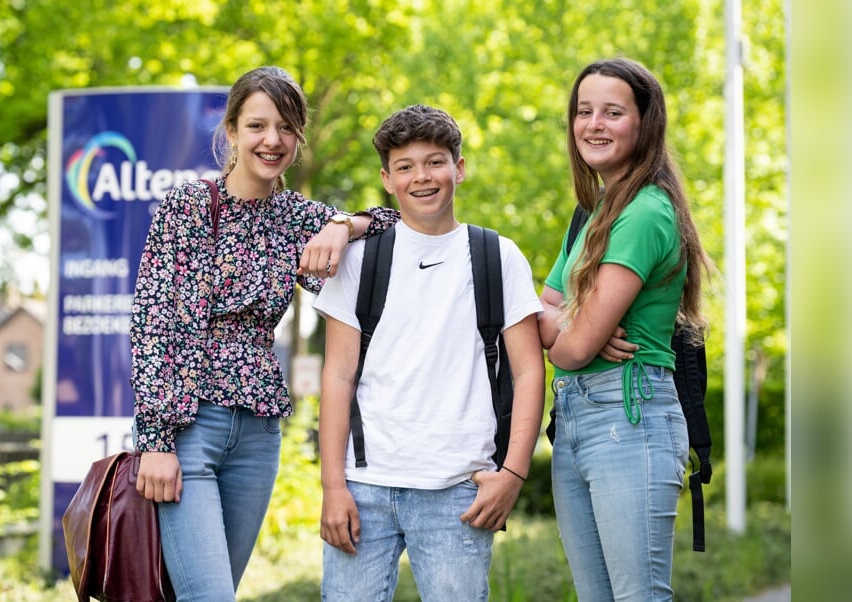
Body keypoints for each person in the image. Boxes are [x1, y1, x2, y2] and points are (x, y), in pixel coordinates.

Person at [129, 66, 399, 601]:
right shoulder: (187, 206)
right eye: (256, 125)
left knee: (215, 589)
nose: (271, 140)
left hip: (258, 433)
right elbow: (152, 322)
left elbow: (395, 222)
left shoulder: (300, 217)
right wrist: (155, 441)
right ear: (231, 131)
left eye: (286, 127)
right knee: (209, 597)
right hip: (188, 428)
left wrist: (344, 224)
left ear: (299, 137)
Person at [313, 104, 546, 601]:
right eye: (405, 166)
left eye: (435, 161)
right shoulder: (359, 260)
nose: (422, 176)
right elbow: (337, 377)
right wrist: (333, 485)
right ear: (387, 180)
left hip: (460, 489)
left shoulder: (497, 256)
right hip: (363, 489)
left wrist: (512, 475)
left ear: (459, 168)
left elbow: (529, 372)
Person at [538, 58, 713, 601]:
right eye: (584, 111)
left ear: (645, 124)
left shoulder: (644, 213)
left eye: (613, 112)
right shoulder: (589, 214)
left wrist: (573, 325)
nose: (594, 124)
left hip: (628, 417)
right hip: (574, 419)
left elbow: (572, 348)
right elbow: (543, 308)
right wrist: (571, 319)